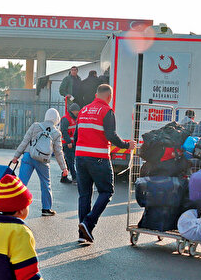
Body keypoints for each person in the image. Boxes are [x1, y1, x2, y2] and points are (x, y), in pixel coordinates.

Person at [74, 84, 134, 245]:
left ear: (96, 94)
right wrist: (127, 145)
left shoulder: (84, 110)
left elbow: (76, 135)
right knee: (107, 191)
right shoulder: (107, 111)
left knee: (84, 195)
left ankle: (82, 233)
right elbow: (110, 135)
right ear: (109, 96)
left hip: (80, 157)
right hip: (98, 157)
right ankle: (88, 223)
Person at [11, 108, 69, 216]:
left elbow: (25, 141)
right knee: (45, 183)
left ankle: (14, 207)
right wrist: (64, 168)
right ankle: (46, 209)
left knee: (21, 183)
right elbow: (58, 152)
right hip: (42, 160)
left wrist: (16, 156)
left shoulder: (35, 126)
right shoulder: (56, 132)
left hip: (28, 156)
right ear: (57, 119)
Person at [60, 103, 79, 183]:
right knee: (71, 161)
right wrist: (68, 142)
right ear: (73, 111)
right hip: (68, 144)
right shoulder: (66, 119)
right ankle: (75, 178)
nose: (78, 112)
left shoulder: (74, 119)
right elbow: (64, 131)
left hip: (72, 143)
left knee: (68, 162)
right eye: (77, 111)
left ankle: (64, 178)